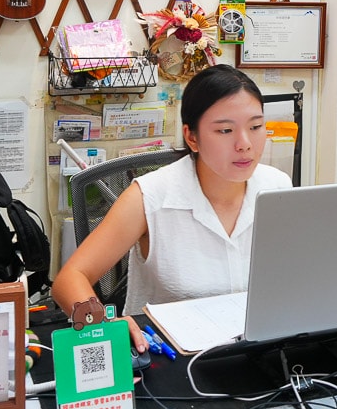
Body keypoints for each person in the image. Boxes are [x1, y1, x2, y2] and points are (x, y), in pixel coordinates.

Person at [52, 64, 293, 353]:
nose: (245, 144)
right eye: (225, 130)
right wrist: (103, 325)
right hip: (168, 356)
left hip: (259, 349)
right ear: (192, 137)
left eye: (255, 127)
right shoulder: (150, 196)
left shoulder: (277, 186)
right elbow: (70, 279)